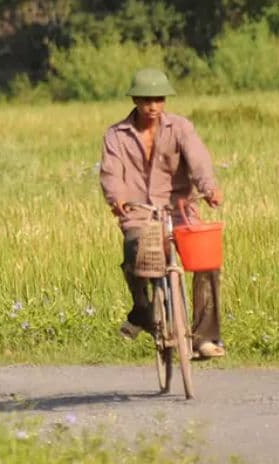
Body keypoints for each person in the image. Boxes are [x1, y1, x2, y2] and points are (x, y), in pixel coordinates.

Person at [99, 68, 226, 359]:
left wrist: (209, 188)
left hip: (180, 209)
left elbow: (199, 160)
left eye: (158, 99)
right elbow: (111, 172)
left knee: (207, 264)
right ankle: (142, 308)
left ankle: (205, 337)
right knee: (135, 250)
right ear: (134, 99)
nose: (152, 106)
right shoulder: (116, 135)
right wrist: (116, 197)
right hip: (139, 213)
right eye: (145, 99)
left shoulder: (180, 128)